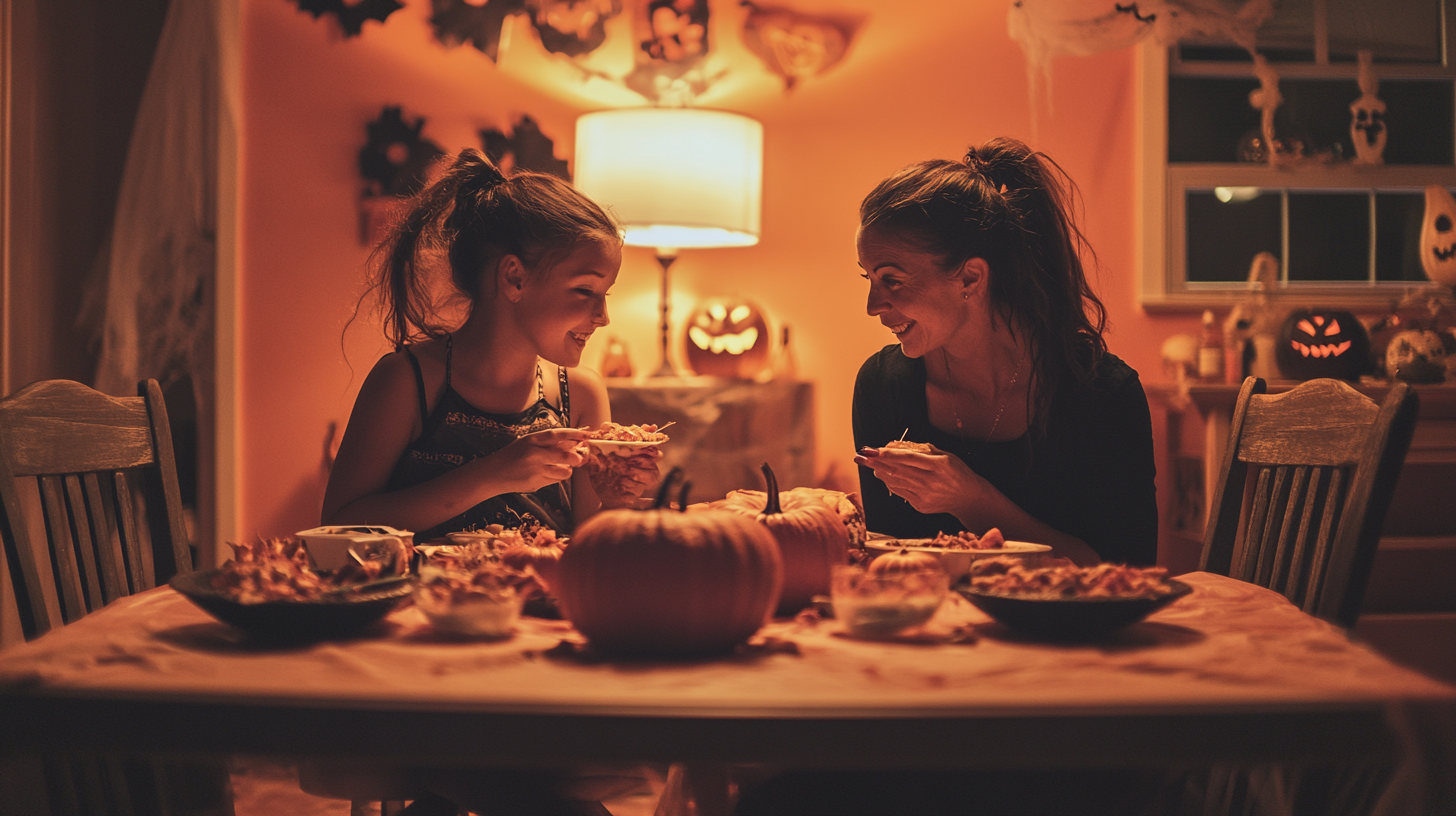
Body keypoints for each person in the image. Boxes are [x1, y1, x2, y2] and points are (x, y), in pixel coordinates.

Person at [322, 149, 658, 540]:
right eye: (585, 290)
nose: (603, 316)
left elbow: (590, 548)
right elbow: (337, 524)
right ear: (514, 277)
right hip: (425, 600)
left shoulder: (580, 393)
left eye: (606, 294)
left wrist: (616, 499)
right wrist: (490, 475)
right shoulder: (408, 381)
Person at [850, 137, 1156, 566]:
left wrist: (970, 498)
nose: (872, 306)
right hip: (934, 628)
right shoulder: (882, 386)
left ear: (970, 280)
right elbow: (889, 558)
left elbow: (1126, 572)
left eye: (892, 280)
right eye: (867, 278)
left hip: (1063, 631)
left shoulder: (1102, 394)